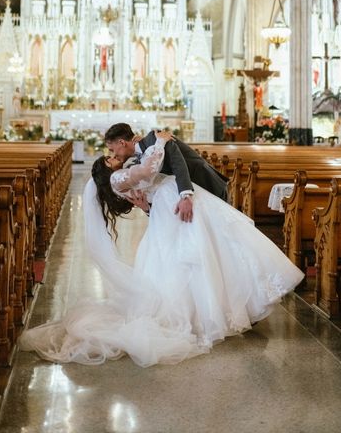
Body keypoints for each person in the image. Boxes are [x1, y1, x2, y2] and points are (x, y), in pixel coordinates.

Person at [19, 131, 304, 367]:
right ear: (106, 173)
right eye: (110, 159)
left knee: (206, 251)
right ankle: (205, 313)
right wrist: (161, 141)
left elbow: (148, 188)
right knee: (188, 258)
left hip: (171, 206)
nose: (114, 158)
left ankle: (230, 306)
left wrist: (154, 197)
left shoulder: (126, 170)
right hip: (172, 207)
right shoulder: (119, 178)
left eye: (112, 153)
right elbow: (149, 170)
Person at [104, 122, 228, 222]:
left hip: (206, 185)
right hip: (188, 204)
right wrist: (147, 209)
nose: (112, 154)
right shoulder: (136, 163)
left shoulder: (156, 137)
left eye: (112, 149)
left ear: (121, 142)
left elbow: (177, 162)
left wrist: (185, 196)